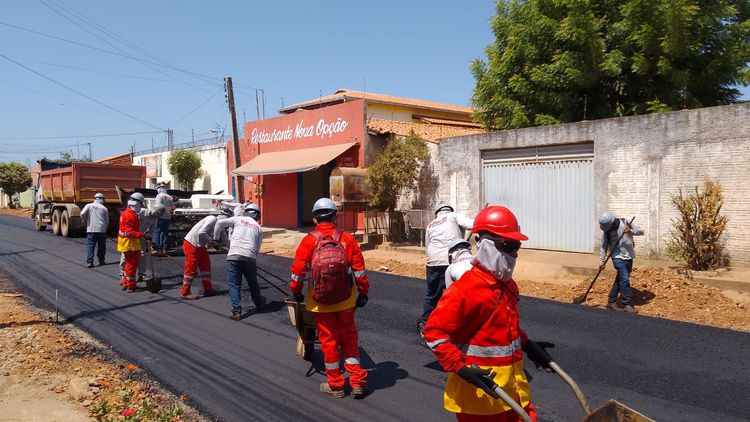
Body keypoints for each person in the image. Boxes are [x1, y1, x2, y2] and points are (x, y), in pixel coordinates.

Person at [424, 205, 554, 421]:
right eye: (509, 245)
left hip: (512, 392)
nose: (515, 254)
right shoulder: (465, 289)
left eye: (517, 246)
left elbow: (506, 327)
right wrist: (461, 368)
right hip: (479, 399)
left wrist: (529, 346)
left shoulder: (509, 286)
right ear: (486, 245)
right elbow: (434, 334)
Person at [289, 198, 370, 399]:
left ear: (315, 219)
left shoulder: (309, 240)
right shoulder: (347, 239)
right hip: (346, 299)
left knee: (329, 341)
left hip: (320, 302)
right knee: (349, 339)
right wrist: (363, 293)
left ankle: (336, 384)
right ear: (335, 217)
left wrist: (296, 291)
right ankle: (358, 381)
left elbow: (298, 272)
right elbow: (359, 271)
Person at [419, 203, 473, 344]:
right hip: (451, 260)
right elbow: (472, 224)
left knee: (431, 295)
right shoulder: (453, 216)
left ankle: (425, 326)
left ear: (437, 213)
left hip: (433, 262)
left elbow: (427, 245)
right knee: (456, 295)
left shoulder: (430, 224)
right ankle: (456, 327)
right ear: (449, 210)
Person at [213, 202, 266, 319]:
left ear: (246, 212)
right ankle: (258, 303)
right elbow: (257, 248)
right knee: (253, 282)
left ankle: (236, 312)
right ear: (258, 216)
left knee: (234, 284)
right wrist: (251, 259)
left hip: (233, 256)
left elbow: (219, 223)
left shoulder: (237, 219)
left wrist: (216, 239)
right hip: (250, 257)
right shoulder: (259, 228)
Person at [599, 212, 644, 314]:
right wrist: (602, 261)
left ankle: (611, 301)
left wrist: (631, 231)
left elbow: (641, 232)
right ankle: (626, 304)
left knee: (620, 279)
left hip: (629, 256)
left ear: (613, 222)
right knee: (624, 278)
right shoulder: (607, 231)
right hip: (617, 257)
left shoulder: (626, 222)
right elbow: (603, 246)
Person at [119, 204, 164, 282]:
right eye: (155, 213)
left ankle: (141, 274)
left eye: (157, 215)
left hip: (142, 237)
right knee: (125, 256)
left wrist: (152, 242)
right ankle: (123, 275)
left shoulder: (155, 219)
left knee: (142, 255)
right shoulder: (141, 212)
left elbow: (153, 230)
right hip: (131, 237)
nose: (154, 216)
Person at [180, 214, 222, 300]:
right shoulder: (212, 219)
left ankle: (208, 289)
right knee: (191, 269)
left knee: (206, 267)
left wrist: (232, 248)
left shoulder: (220, 225)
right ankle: (185, 292)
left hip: (200, 245)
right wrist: (211, 242)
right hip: (191, 244)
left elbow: (224, 238)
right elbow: (201, 232)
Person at [118, 193, 145, 292]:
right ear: (137, 204)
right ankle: (131, 285)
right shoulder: (130, 215)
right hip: (130, 244)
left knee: (128, 265)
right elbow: (129, 232)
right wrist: (142, 235)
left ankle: (126, 283)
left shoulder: (126, 213)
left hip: (126, 243)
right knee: (132, 265)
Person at [80, 192, 109, 268]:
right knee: (101, 246)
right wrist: (105, 229)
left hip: (91, 229)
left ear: (95, 199)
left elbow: (82, 213)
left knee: (91, 245)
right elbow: (107, 221)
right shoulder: (104, 208)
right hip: (101, 229)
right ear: (102, 199)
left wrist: (84, 220)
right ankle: (101, 260)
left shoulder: (89, 205)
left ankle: (90, 261)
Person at [154, 182, 175, 253]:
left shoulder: (159, 196)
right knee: (166, 232)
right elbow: (173, 207)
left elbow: (158, 207)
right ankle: (165, 248)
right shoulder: (170, 197)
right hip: (168, 217)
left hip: (160, 217)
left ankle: (158, 248)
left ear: (159, 189)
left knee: (157, 232)